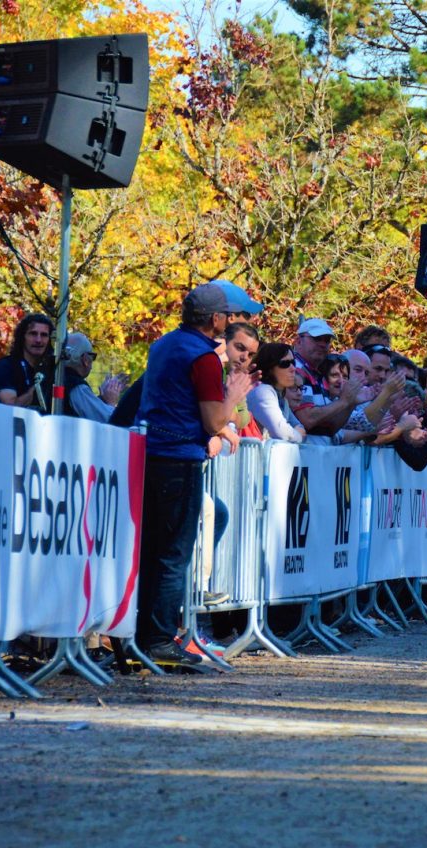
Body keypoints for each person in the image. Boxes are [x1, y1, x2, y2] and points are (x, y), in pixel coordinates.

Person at [135, 282, 254, 666]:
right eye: (226, 317)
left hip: (150, 455)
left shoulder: (163, 344)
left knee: (152, 551)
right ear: (216, 319)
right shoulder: (203, 357)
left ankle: (141, 638)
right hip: (179, 460)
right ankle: (157, 641)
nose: (228, 322)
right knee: (173, 555)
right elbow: (212, 419)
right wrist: (234, 394)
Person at [0, 312, 55, 411]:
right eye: (33, 333)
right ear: (22, 337)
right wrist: (39, 386)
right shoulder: (7, 366)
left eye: (44, 335)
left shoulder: (53, 368)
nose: (38, 340)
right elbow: (11, 407)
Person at [246, 343, 306, 442]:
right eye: (285, 364)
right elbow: (282, 433)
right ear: (269, 369)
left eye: (293, 363)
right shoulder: (262, 391)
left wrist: (294, 433)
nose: (293, 369)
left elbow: (299, 428)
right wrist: (297, 435)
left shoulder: (282, 399)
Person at [60, 333, 125, 422]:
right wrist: (111, 402)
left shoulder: (58, 377)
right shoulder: (76, 387)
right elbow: (109, 420)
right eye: (92, 356)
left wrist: (102, 400)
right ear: (86, 359)